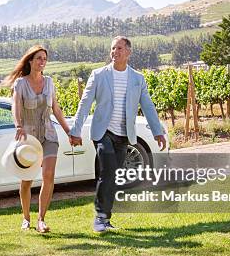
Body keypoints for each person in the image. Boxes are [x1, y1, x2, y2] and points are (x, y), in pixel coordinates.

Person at [69, 36, 167, 232]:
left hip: (124, 135)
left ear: (128, 52)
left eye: (120, 48)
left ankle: (105, 218)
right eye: (113, 48)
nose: (115, 52)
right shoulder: (98, 75)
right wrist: (75, 130)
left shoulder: (138, 79)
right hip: (103, 132)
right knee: (107, 170)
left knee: (113, 175)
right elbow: (85, 103)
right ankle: (100, 217)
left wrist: (158, 132)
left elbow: (147, 106)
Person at [4, 45, 71, 233]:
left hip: (49, 135)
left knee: (48, 175)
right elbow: (15, 106)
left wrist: (69, 132)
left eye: (44, 59)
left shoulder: (49, 83)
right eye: (39, 58)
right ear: (30, 61)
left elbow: (56, 109)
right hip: (28, 139)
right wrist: (18, 125)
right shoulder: (20, 84)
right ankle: (26, 218)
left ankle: (41, 219)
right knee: (26, 181)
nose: (42, 62)